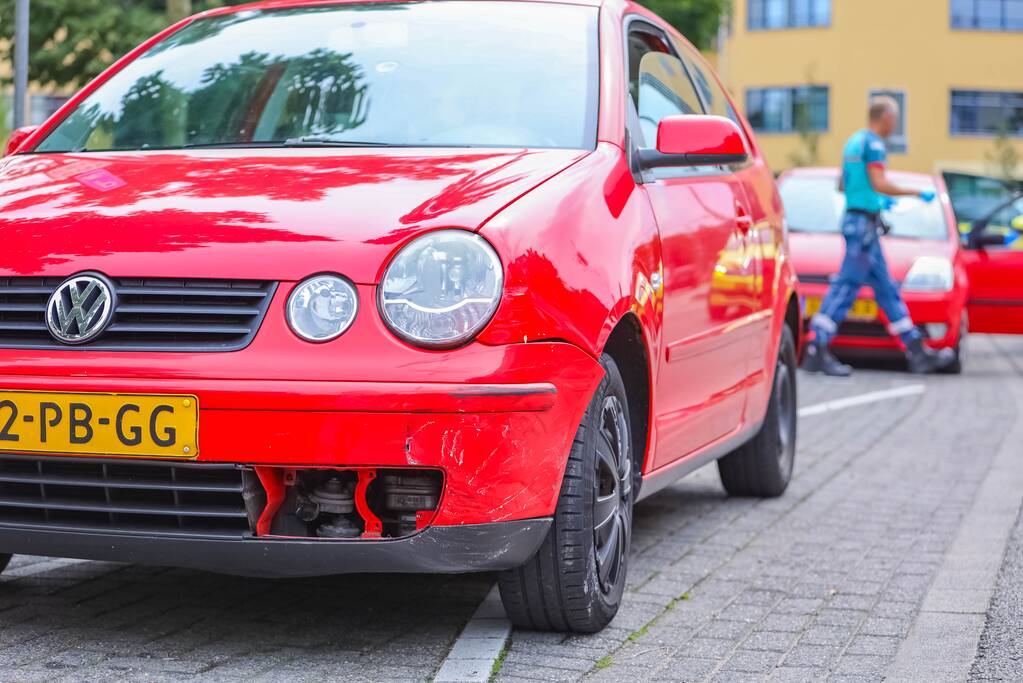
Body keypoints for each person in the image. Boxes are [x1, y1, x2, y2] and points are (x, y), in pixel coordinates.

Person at [802, 96, 956, 377]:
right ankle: (816, 347)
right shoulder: (873, 144)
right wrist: (915, 193)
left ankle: (915, 350)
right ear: (884, 118)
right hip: (863, 227)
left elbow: (842, 184)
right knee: (847, 286)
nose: (893, 126)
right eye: (893, 121)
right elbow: (879, 182)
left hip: (861, 222)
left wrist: (873, 201)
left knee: (886, 290)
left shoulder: (853, 142)